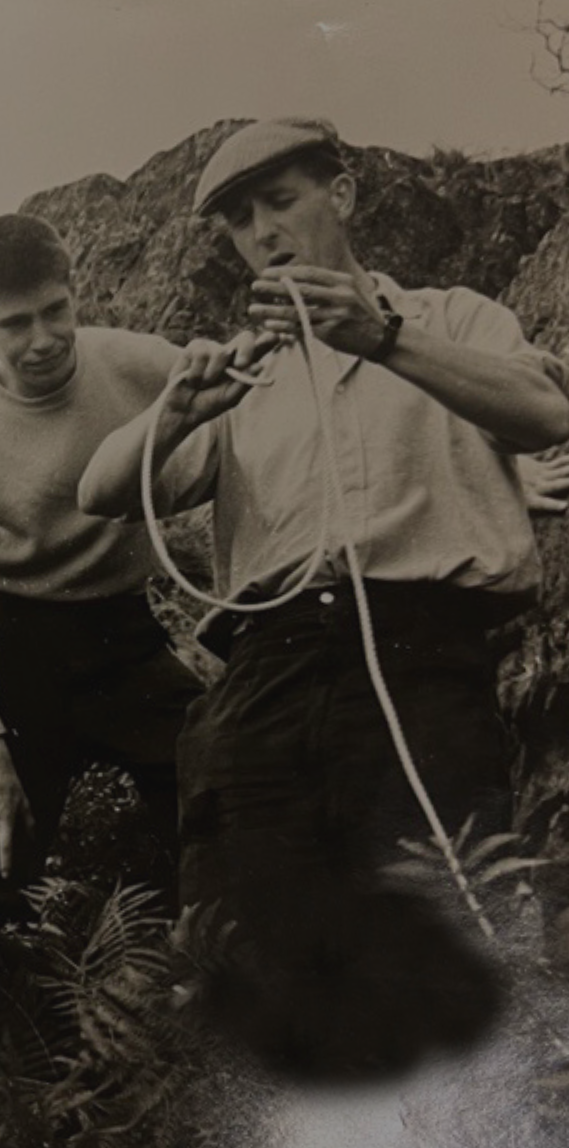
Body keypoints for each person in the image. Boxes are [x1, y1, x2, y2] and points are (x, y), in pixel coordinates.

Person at [78, 117, 569, 1079]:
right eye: (237, 220)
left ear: (341, 196)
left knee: (443, 931)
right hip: (267, 670)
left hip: (420, 661)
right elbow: (100, 494)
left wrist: (384, 338)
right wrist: (177, 409)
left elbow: (548, 411)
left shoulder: (454, 318)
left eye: (280, 202)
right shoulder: (239, 371)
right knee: (236, 951)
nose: (261, 233)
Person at [0, 214, 200, 909]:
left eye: (56, 312)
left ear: (76, 294)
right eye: (15, 323)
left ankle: (187, 966)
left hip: (122, 634)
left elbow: (247, 382)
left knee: (217, 774)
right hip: (18, 640)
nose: (42, 340)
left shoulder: (137, 362)